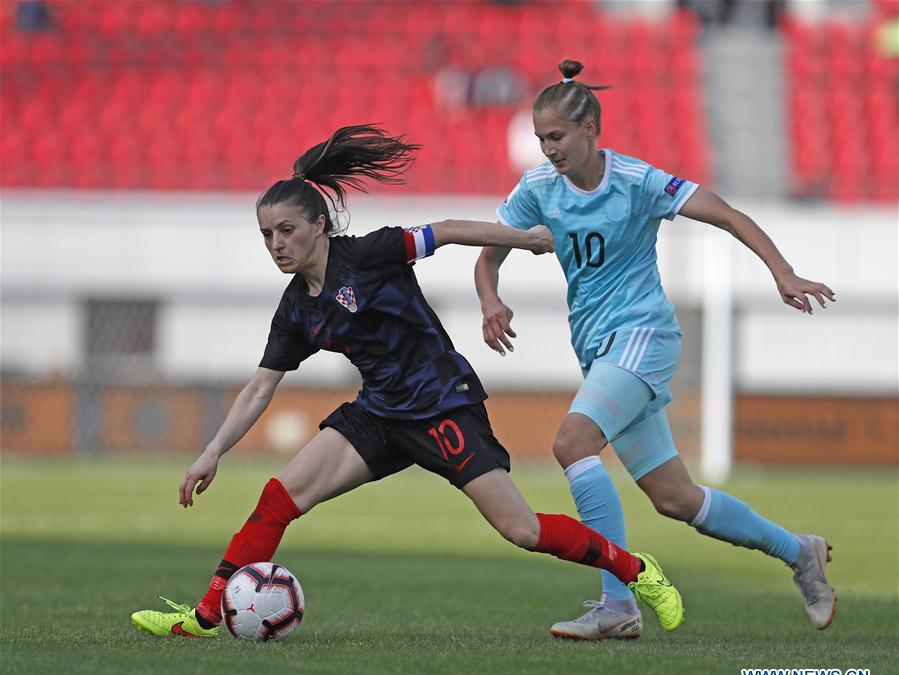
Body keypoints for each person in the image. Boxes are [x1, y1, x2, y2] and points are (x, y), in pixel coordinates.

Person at [131, 124, 684, 639]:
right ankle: (206, 616)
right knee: (278, 499)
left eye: (286, 230)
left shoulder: (367, 254)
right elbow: (259, 388)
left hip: (441, 406)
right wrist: (212, 452)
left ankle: (636, 570)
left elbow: (447, 231)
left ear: (319, 225)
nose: (276, 243)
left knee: (522, 530)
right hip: (378, 415)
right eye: (266, 235)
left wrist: (525, 238)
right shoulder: (297, 307)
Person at [475, 60, 837, 641]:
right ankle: (800, 552)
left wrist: (782, 271)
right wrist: (491, 300)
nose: (548, 149)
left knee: (572, 442)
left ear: (590, 127)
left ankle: (617, 602)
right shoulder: (538, 187)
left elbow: (726, 214)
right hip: (600, 349)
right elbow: (488, 255)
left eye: (556, 136)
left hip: (644, 335)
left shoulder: (638, 181)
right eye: (541, 138)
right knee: (676, 499)